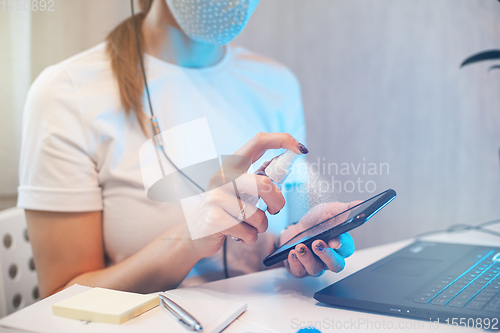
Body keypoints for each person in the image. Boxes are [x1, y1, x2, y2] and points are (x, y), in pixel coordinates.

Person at [18, 0, 357, 298]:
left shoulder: (276, 84)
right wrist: (189, 240)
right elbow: (60, 302)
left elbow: (277, 236)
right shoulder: (66, 94)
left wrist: (298, 245)